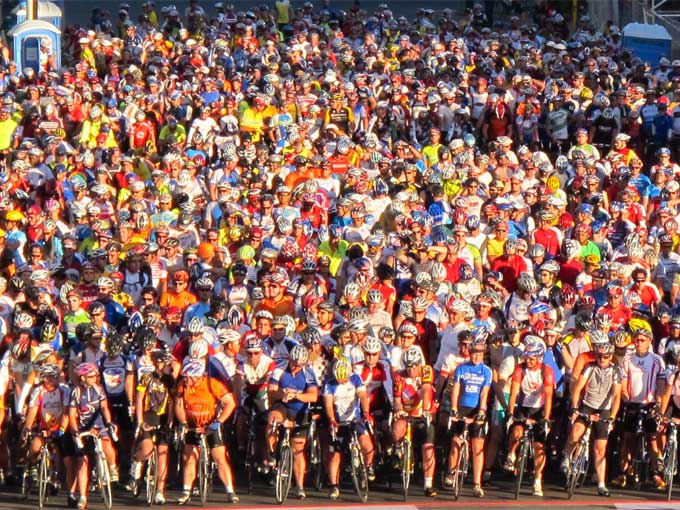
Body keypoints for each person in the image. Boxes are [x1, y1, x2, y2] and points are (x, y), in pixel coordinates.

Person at [174, 359, 239, 504]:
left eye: (188, 377)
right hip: (192, 424)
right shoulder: (182, 386)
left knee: (219, 457)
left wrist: (218, 422)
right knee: (189, 457)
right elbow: (178, 405)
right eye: (184, 377)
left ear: (197, 377)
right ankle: (186, 491)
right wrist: (184, 423)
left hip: (211, 424)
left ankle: (230, 491)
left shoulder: (212, 384)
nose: (185, 380)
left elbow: (230, 402)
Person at [565, 342, 621, 497]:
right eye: (599, 356)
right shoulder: (590, 367)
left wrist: (612, 417)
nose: (602, 359)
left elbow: (616, 396)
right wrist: (575, 408)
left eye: (605, 356)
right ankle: (566, 458)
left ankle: (601, 484)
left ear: (611, 357)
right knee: (576, 432)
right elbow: (577, 388)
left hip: (604, 409)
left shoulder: (616, 371)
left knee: (600, 449)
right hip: (587, 405)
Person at [266, 344, 318, 500]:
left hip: (300, 410)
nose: (296, 367)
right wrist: (282, 393)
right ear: (289, 359)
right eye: (294, 363)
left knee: (298, 450)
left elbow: (313, 396)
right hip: (282, 405)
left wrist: (296, 395)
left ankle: (300, 486)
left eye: (300, 365)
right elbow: (271, 390)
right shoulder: (280, 369)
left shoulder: (308, 372)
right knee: (273, 421)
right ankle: (273, 454)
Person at [505, 337, 554, 497]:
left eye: (532, 359)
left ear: (539, 358)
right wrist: (511, 413)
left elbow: (548, 396)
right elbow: (514, 393)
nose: (528, 361)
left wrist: (546, 418)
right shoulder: (520, 369)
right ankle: (512, 453)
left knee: (539, 447)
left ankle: (537, 481)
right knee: (517, 432)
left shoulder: (546, 371)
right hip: (524, 407)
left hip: (539, 408)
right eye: (527, 358)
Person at [127, 349, 175, 504]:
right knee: (147, 448)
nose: (168, 366)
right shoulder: (146, 377)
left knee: (162, 452)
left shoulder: (170, 380)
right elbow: (139, 399)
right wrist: (140, 421)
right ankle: (137, 461)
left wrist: (169, 422)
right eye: (165, 363)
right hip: (149, 415)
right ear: (158, 364)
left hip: (164, 416)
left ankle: (160, 490)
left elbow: (173, 402)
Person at [69, 362, 118, 510]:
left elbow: (104, 407)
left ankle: (112, 467)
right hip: (83, 427)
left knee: (106, 442)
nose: (95, 378)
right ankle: (83, 497)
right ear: (83, 378)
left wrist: (108, 422)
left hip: (98, 424)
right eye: (91, 376)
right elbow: (71, 415)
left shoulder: (99, 389)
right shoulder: (76, 392)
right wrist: (75, 431)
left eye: (96, 375)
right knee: (82, 461)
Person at [323, 358, 373, 500]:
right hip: (339, 421)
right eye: (339, 379)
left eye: (344, 378)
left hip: (355, 419)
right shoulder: (330, 383)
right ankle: (334, 486)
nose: (341, 381)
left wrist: (365, 412)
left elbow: (363, 396)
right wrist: (332, 419)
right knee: (335, 455)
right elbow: (328, 403)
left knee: (367, 445)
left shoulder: (355, 378)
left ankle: (368, 467)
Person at [447, 337, 492, 497]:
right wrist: (453, 408)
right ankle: (452, 474)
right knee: (456, 442)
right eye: (474, 354)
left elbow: (484, 393)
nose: (477, 357)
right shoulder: (461, 368)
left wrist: (481, 410)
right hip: (462, 408)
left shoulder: (487, 371)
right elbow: (456, 390)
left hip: (477, 408)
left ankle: (477, 483)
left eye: (480, 354)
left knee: (477, 447)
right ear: (469, 353)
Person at [391, 346, 438, 497]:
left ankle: (428, 484)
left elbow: (426, 389)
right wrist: (399, 410)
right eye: (408, 367)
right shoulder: (399, 375)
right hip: (406, 411)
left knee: (428, 448)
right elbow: (397, 400)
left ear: (419, 364)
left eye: (414, 367)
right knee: (398, 427)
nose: (411, 371)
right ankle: (398, 451)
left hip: (423, 412)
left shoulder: (426, 370)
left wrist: (425, 409)